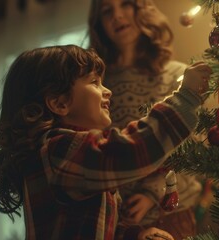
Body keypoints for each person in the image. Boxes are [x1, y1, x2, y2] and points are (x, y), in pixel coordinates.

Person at [0, 45, 211, 240]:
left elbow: (99, 227)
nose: (107, 90)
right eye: (95, 82)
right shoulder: (58, 152)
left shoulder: (72, 157)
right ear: (60, 103)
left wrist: (136, 235)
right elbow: (129, 151)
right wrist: (186, 98)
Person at [88, 0, 203, 238]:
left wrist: (154, 193)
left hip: (171, 216)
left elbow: (197, 154)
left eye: (126, 5)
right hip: (115, 221)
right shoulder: (94, 86)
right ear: (99, 24)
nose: (117, 16)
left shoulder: (178, 76)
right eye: (107, 11)